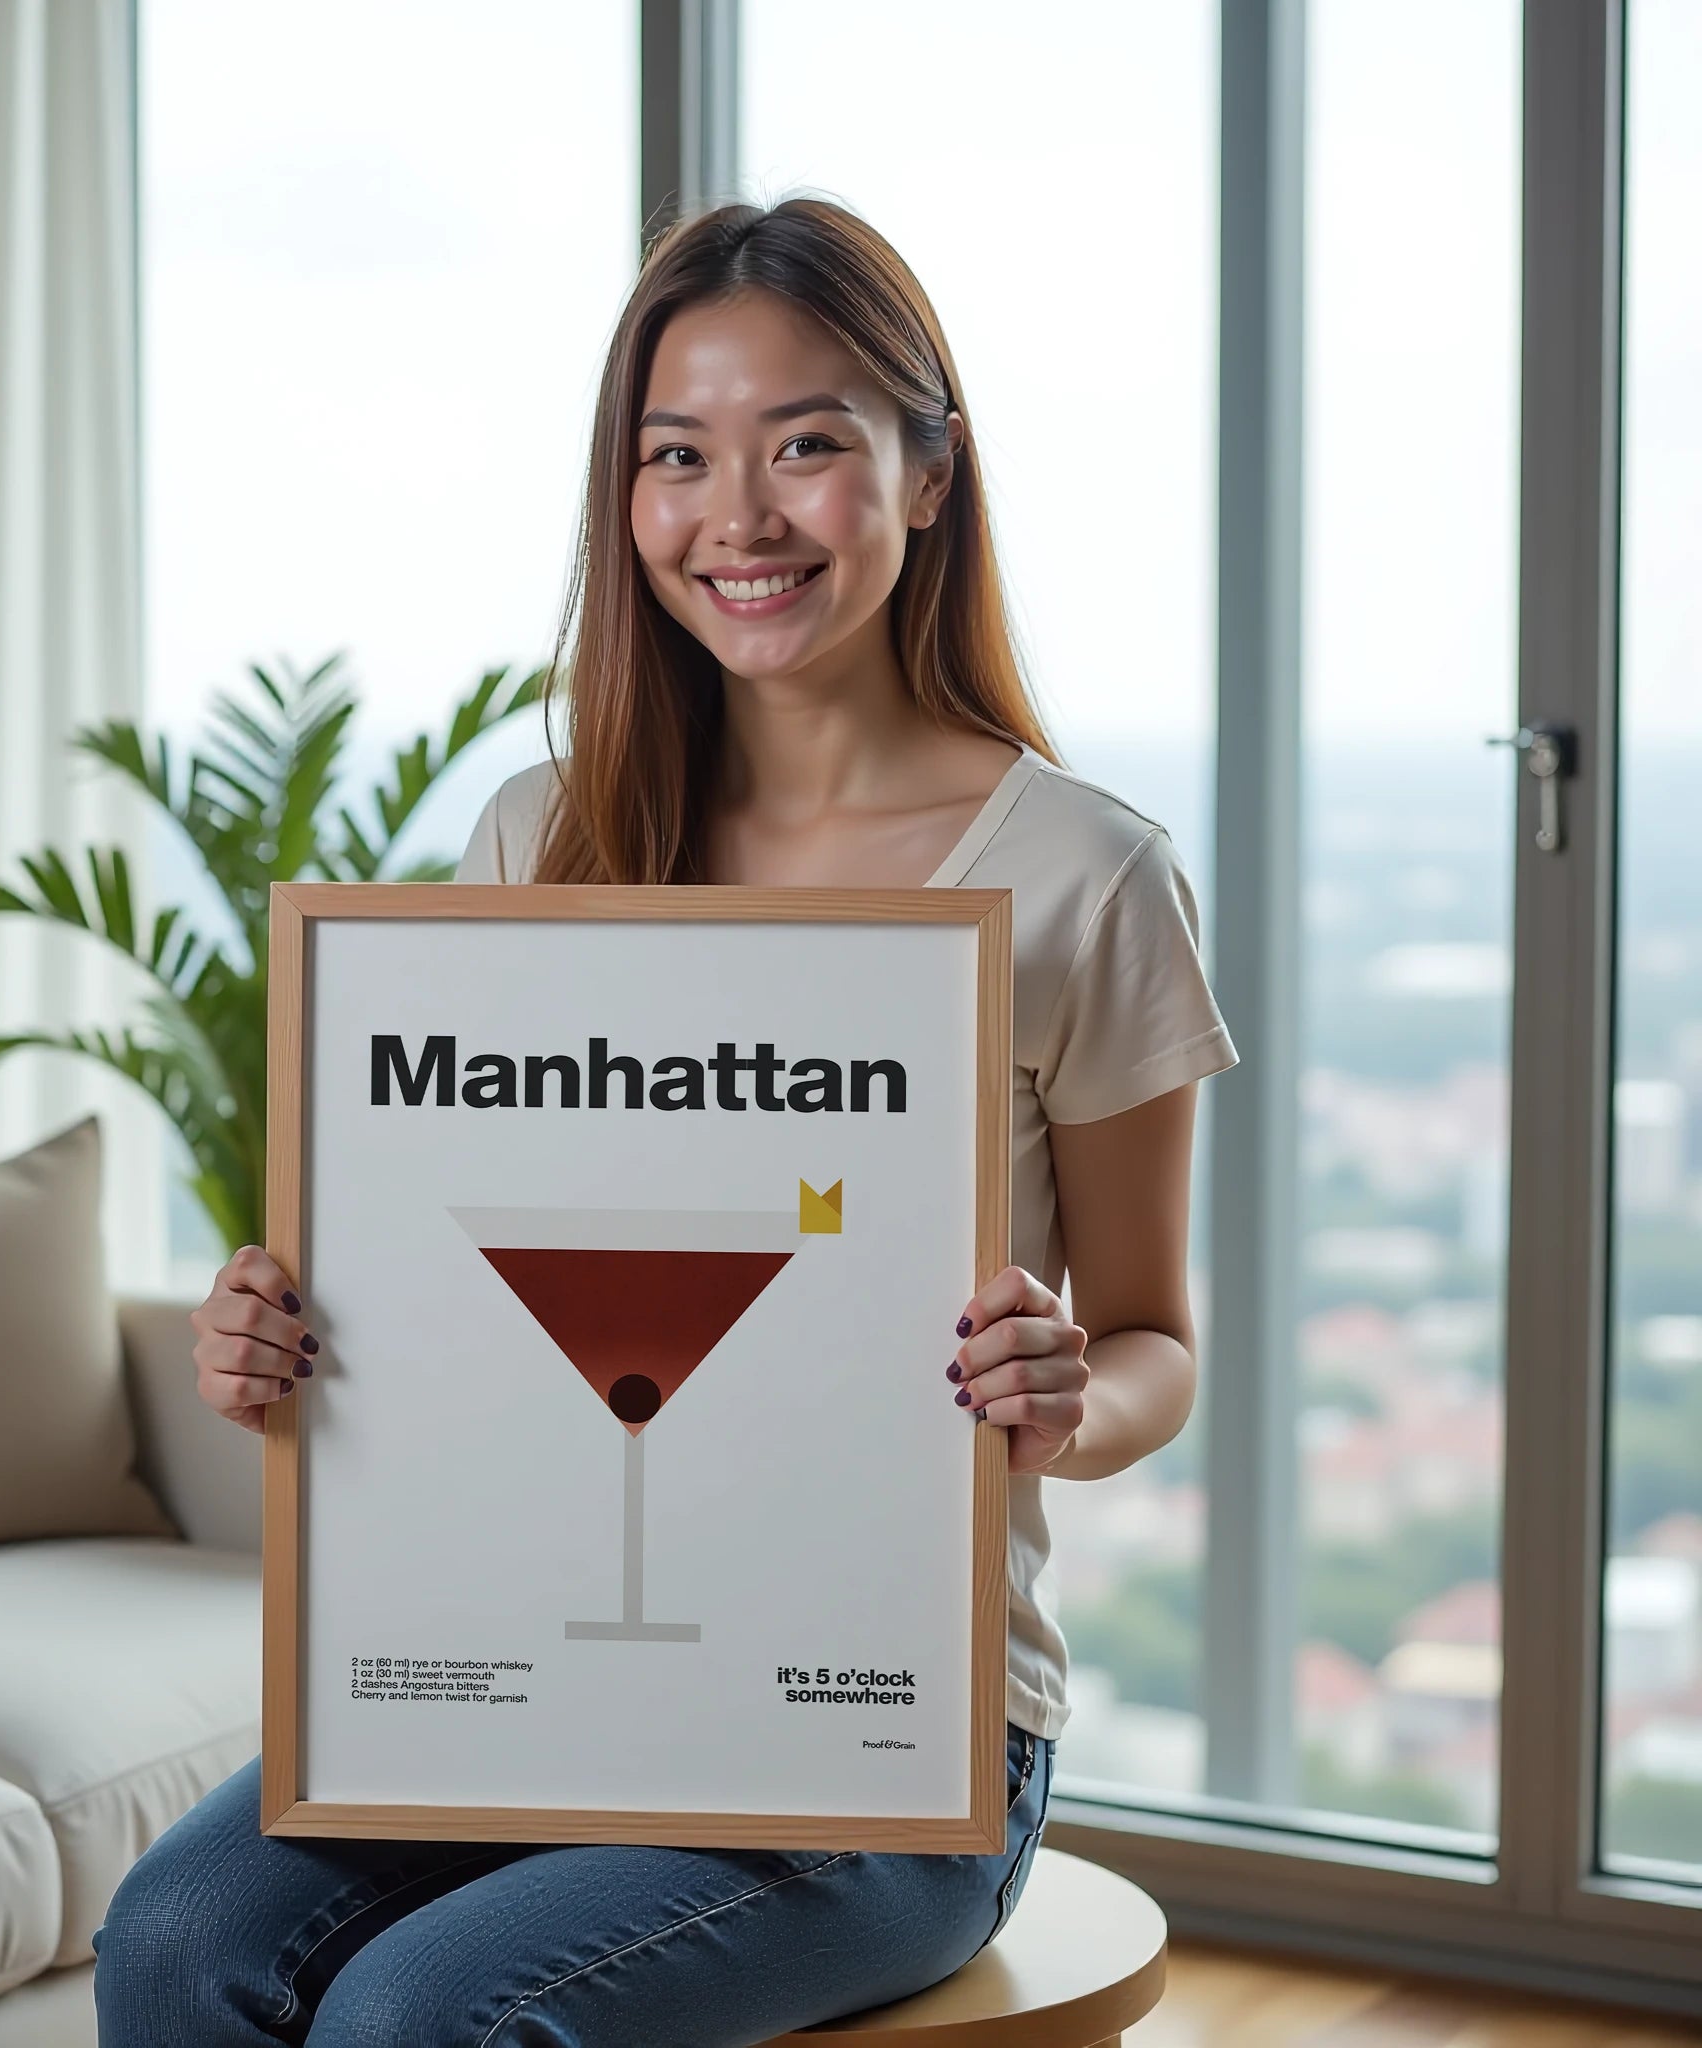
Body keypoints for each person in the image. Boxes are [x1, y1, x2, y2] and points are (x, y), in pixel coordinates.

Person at [94, 194, 1240, 2047]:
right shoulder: (540, 835)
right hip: (531, 1667)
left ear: (929, 473)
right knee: (172, 1938)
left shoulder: (1084, 875)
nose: (740, 516)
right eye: (678, 455)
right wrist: (285, 1339)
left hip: (899, 1722)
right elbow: (459, 1287)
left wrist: (1065, 1399)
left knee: (425, 2015)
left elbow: (1156, 1345)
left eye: (809, 444)